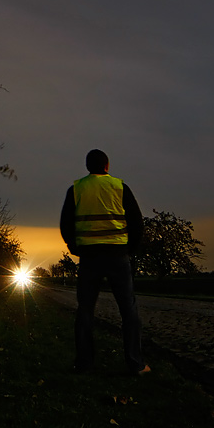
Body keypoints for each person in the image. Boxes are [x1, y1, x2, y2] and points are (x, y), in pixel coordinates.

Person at [60, 149, 151, 376]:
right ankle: (136, 364)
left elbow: (66, 224)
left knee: (86, 310)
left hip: (89, 257)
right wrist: (129, 250)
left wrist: (75, 247)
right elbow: (137, 223)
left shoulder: (76, 189)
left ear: (88, 167)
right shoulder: (120, 187)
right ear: (107, 166)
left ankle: (84, 364)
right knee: (128, 310)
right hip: (118, 255)